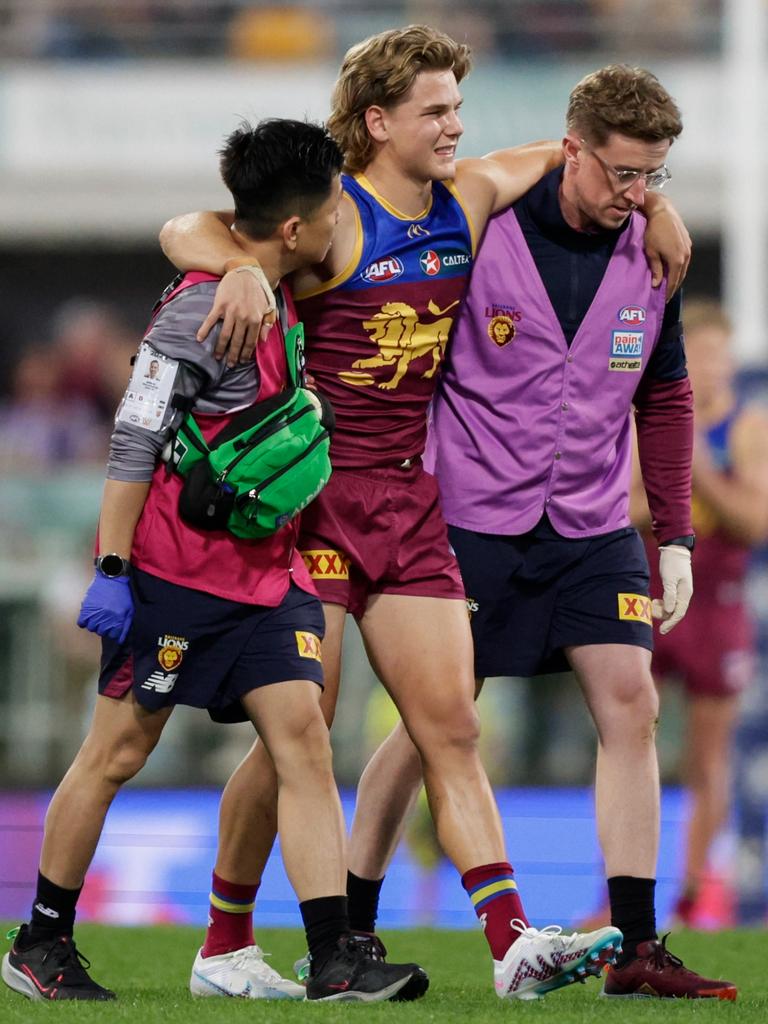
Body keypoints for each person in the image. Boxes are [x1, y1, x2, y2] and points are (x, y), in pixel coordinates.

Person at [159, 27, 691, 1001]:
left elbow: (582, 155)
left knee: (449, 726)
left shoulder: (472, 196)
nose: (457, 125)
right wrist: (234, 265)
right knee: (299, 733)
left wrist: (657, 204)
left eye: (458, 107)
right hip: (318, 505)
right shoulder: (328, 214)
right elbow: (184, 227)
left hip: (410, 500)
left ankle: (511, 941)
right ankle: (228, 940)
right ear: (378, 122)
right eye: (438, 111)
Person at [1, 118, 422, 1005]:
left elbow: (199, 224)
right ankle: (39, 942)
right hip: (176, 579)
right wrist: (112, 572)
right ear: (296, 228)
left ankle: (334, 953)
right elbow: (132, 440)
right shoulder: (200, 310)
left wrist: (242, 261)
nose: (346, 215)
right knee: (117, 751)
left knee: (304, 739)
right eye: (335, 204)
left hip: (270, 579)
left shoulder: (279, 280)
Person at [421, 65, 738, 1000]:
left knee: (631, 703)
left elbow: (668, 396)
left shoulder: (653, 251)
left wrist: (673, 535)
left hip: (594, 524)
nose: (636, 196)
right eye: (621, 174)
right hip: (471, 515)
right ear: (571, 151)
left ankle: (637, 946)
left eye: (654, 178)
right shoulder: (484, 226)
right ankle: (353, 920)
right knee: (436, 726)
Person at [633, 299, 768, 927]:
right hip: (651, 588)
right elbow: (622, 508)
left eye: (719, 357)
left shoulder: (748, 427)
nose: (708, 369)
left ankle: (689, 894)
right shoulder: (646, 418)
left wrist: (692, 469)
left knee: (707, 757)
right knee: (629, 737)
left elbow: (755, 521)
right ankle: (627, 888)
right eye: (697, 356)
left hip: (716, 598)